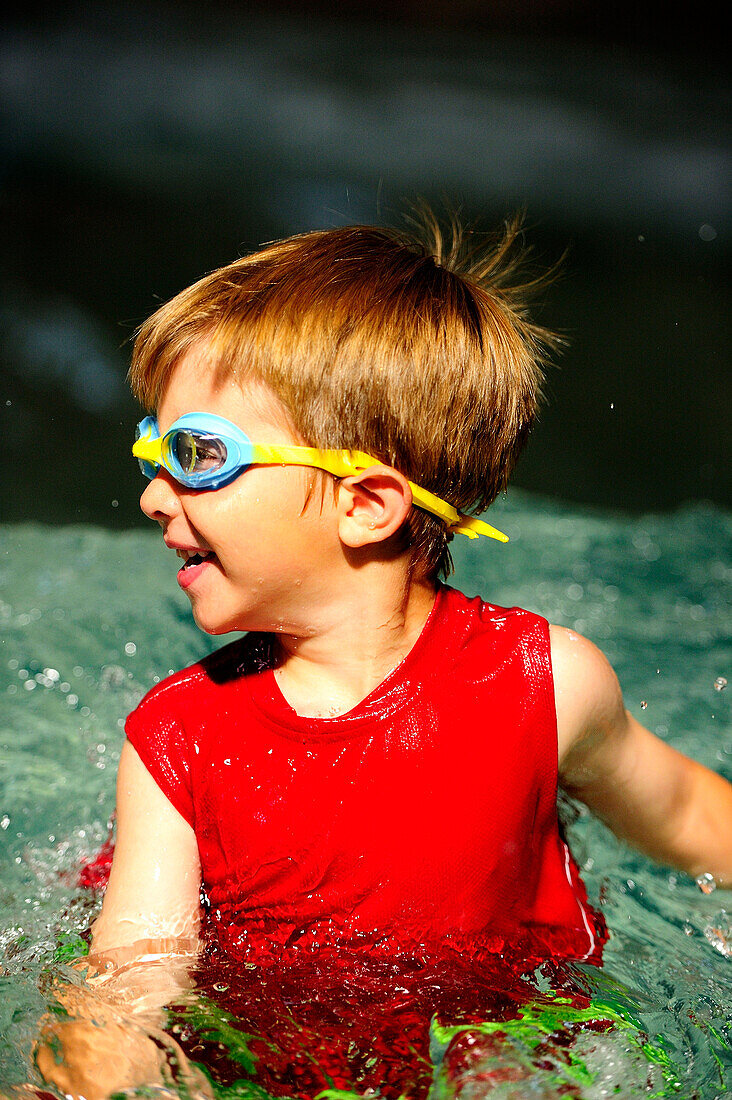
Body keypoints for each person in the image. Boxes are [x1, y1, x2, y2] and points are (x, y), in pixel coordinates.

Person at [36, 214, 732, 1098]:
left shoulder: (546, 683)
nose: (149, 495)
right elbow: (129, 990)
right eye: (151, 445)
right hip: (265, 1061)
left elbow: (684, 817)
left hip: (509, 1041)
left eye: (197, 454)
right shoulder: (178, 740)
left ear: (366, 505)